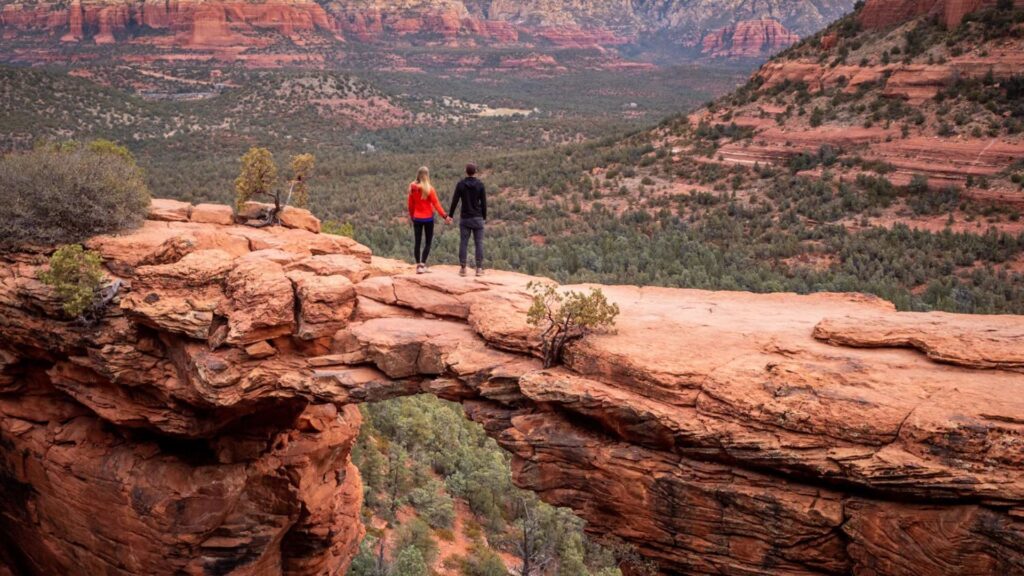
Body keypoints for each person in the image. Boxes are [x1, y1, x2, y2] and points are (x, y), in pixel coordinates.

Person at [407, 166, 451, 274]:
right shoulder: (429, 189)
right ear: (427, 176)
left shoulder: (412, 188)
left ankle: (418, 266)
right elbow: (436, 204)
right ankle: (423, 264)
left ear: (418, 174)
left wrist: (412, 216)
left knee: (417, 242)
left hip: (417, 218)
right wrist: (445, 216)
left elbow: (410, 205)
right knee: (428, 242)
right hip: (428, 219)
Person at [449, 163, 487, 277]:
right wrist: (484, 217)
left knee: (463, 242)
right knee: (479, 243)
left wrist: (450, 215)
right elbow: (484, 203)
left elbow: (455, 201)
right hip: (477, 218)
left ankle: (463, 269)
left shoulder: (461, 185)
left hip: (465, 218)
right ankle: (479, 269)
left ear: (466, 172)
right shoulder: (480, 185)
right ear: (475, 172)